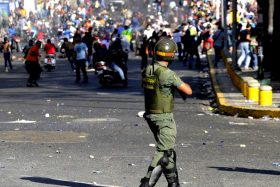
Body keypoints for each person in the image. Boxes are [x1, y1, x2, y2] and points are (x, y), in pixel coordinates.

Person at [140, 38, 192, 187]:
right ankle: (146, 183)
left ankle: (173, 183)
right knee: (163, 153)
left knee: (168, 151)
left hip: (151, 115)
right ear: (171, 55)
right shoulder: (168, 74)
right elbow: (188, 90)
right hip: (164, 118)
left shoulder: (147, 70)